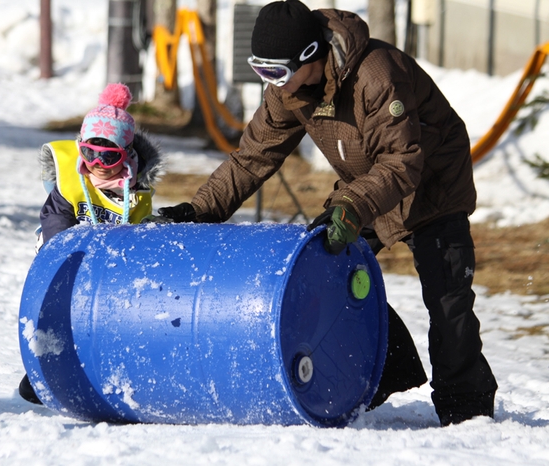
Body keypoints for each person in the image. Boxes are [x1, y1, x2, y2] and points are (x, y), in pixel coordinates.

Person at [155, 0, 497, 426]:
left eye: (277, 73)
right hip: (370, 185)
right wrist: (200, 210)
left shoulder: (376, 78)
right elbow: (252, 158)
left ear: (310, 57)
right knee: (324, 274)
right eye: (262, 71)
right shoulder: (289, 91)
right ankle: (386, 372)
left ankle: (467, 410)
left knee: (448, 302)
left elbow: (402, 162)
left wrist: (352, 205)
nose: (273, 85)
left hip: (431, 185)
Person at [19, 82, 164, 404]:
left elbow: (138, 231)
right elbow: (55, 216)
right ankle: (43, 370)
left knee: (110, 319)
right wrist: (62, 249)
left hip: (112, 268)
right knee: (59, 314)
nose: (97, 163)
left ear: (126, 155)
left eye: (108, 156)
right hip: (69, 259)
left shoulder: (135, 188)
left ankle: (109, 371)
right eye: (89, 153)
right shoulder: (72, 180)